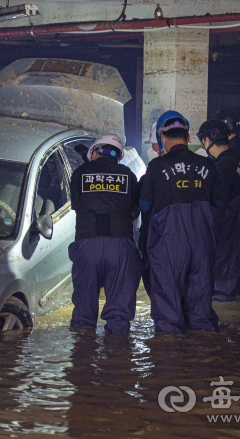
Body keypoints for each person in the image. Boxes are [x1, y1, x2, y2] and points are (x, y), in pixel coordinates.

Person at [139, 111, 225, 334]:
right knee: (201, 306)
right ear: (188, 139)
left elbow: (145, 206)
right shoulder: (208, 165)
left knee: (167, 305)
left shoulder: (157, 167)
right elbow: (221, 202)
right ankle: (202, 358)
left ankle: (171, 361)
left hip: (169, 244)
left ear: (163, 139)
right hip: (202, 242)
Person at [69, 134, 142, 334]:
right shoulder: (128, 175)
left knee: (83, 314)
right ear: (118, 156)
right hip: (120, 247)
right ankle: (117, 361)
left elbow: (77, 206)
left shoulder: (80, 173)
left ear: (95, 152)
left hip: (87, 245)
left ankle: (83, 359)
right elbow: (135, 211)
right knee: (119, 315)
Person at [197, 120, 240, 301]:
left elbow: (218, 203)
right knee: (236, 257)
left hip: (229, 223)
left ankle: (223, 298)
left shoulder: (223, 167)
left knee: (223, 263)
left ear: (207, 140)